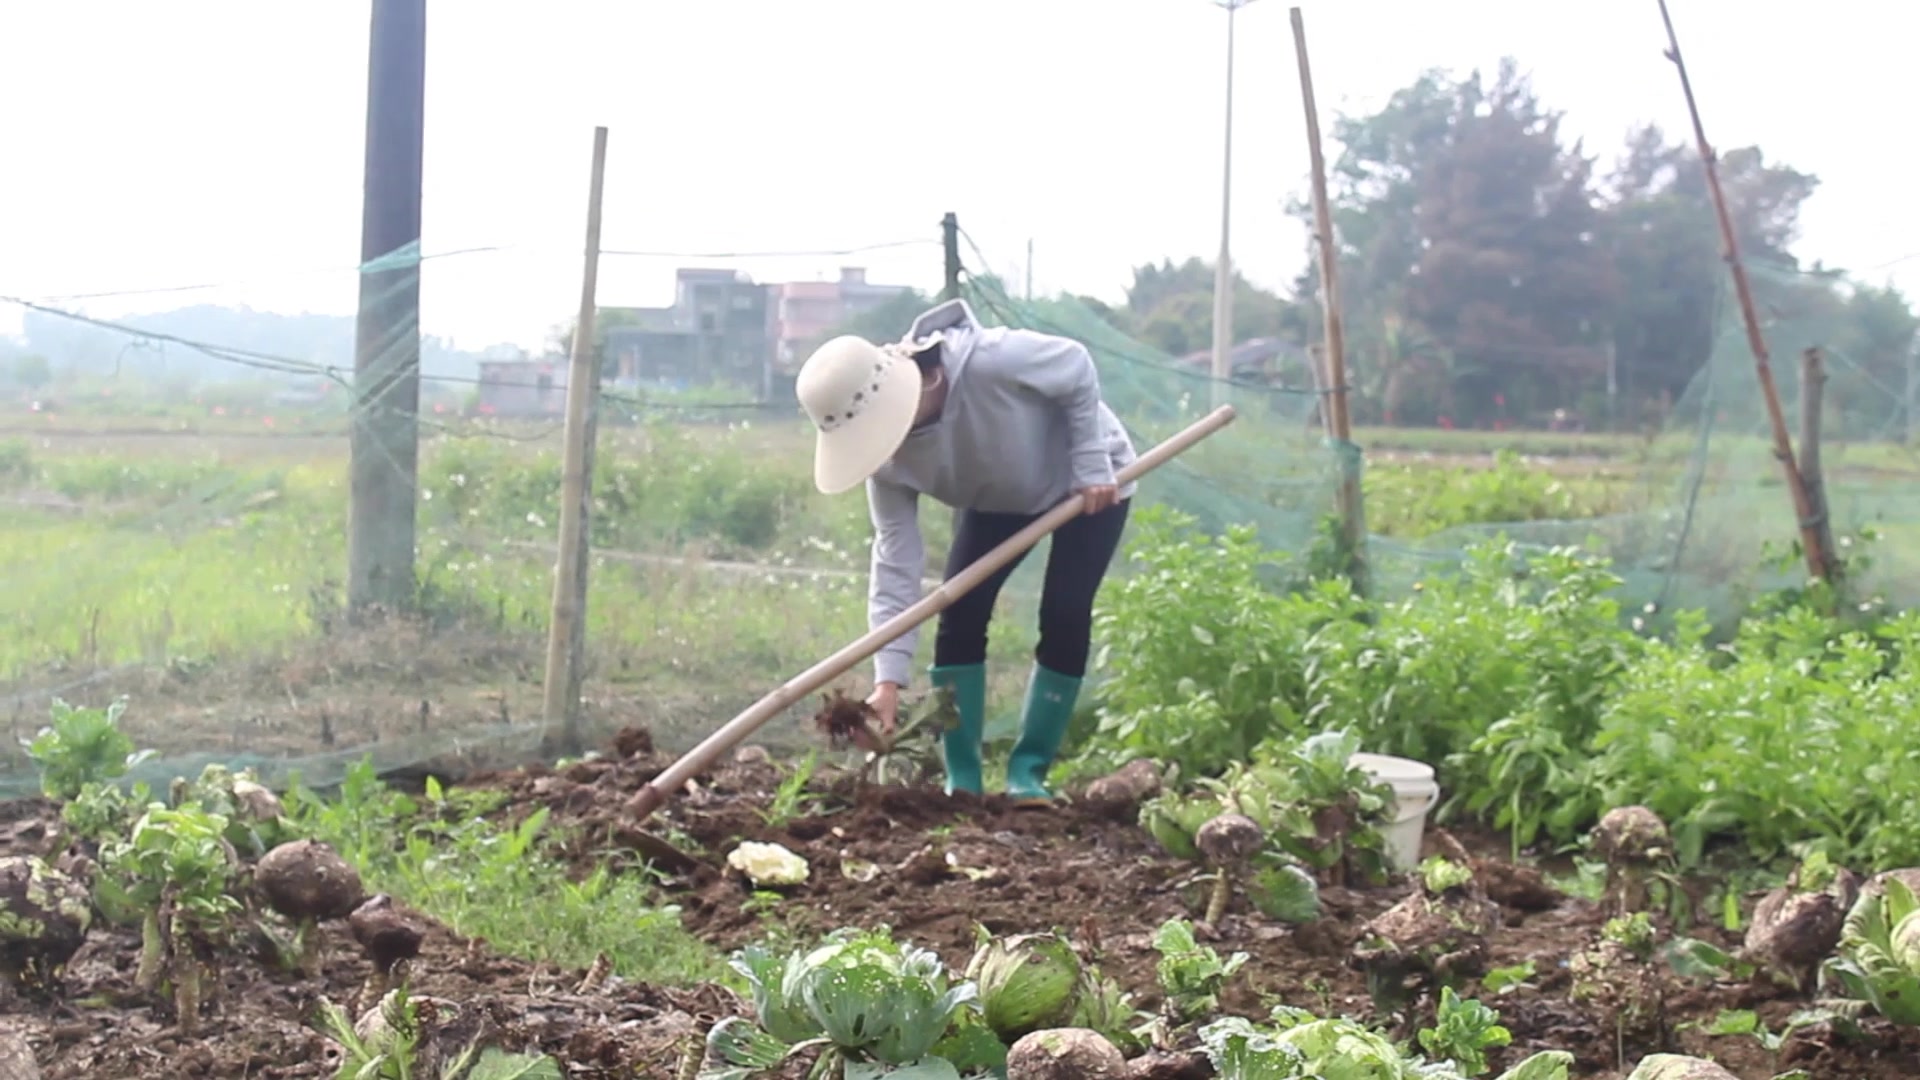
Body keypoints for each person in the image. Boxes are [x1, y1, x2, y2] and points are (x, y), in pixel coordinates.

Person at [795, 297, 1137, 805]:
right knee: (959, 614)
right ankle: (965, 779)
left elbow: (1074, 364)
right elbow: (896, 560)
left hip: (1086, 485)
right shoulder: (886, 464)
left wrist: (1090, 460)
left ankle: (1028, 773)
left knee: (1064, 611)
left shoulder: (989, 362)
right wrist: (888, 680)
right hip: (999, 497)